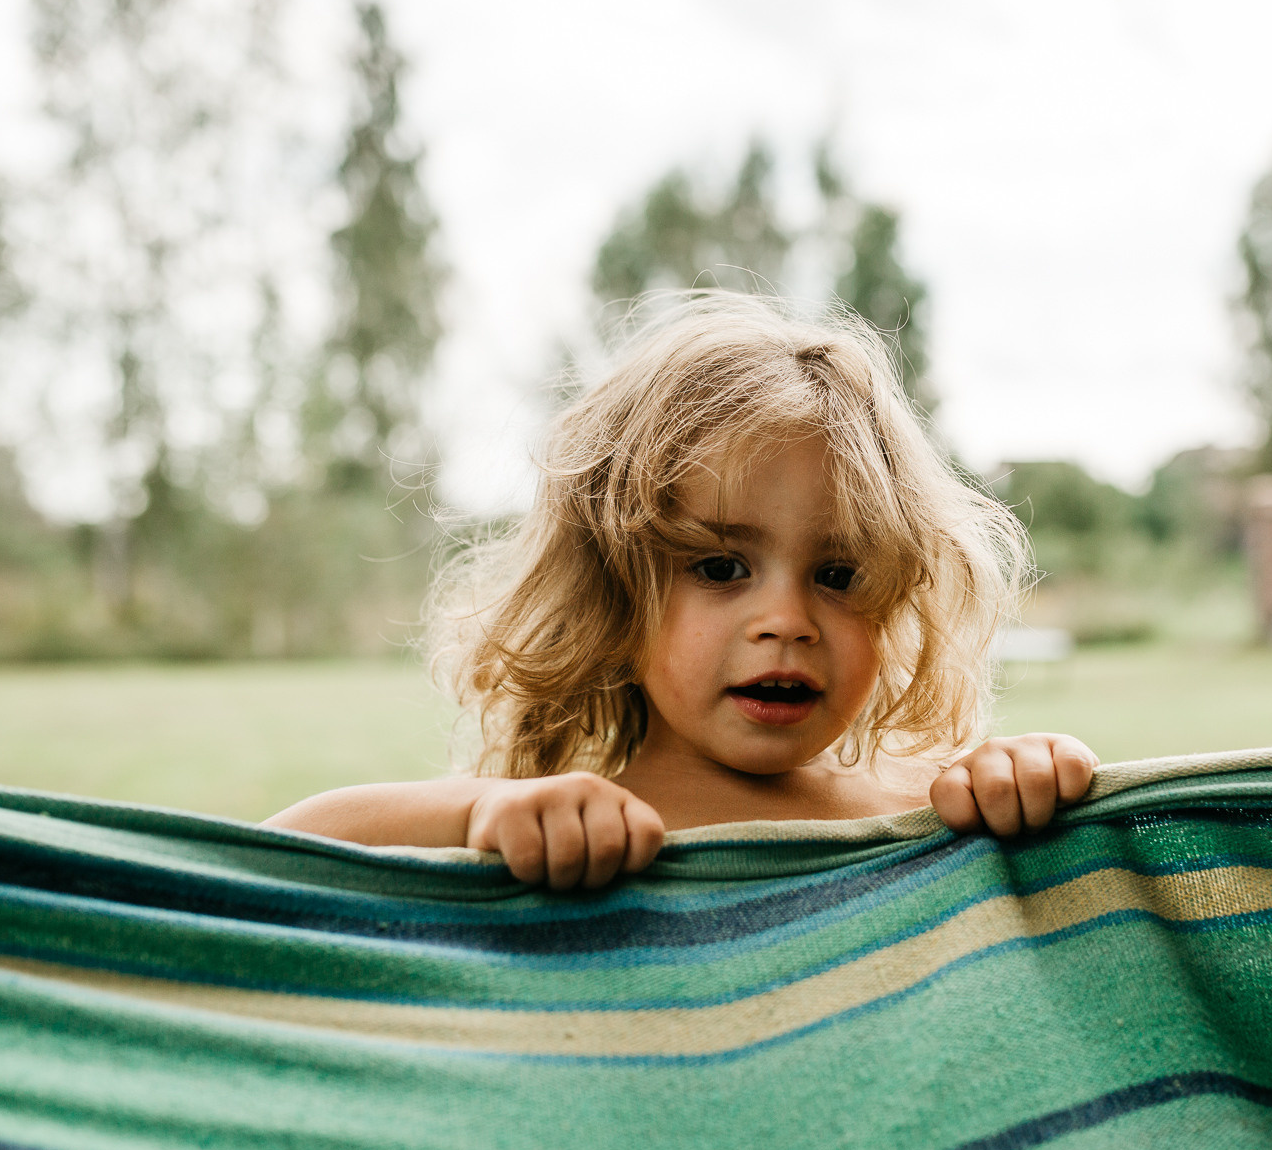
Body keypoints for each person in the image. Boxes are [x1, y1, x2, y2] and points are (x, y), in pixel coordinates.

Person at [266, 292, 1097, 888]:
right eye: (721, 567)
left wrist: (1037, 778)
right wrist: (476, 815)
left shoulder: (932, 808)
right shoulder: (578, 826)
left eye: (839, 576)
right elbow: (270, 854)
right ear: (616, 593)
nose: (787, 621)